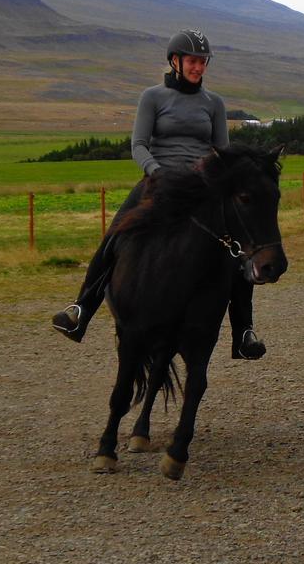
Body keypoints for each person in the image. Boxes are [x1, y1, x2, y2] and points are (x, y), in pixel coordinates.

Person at [51, 29, 267, 359]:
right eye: (193, 61)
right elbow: (138, 144)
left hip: (202, 187)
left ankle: (244, 332)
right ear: (175, 61)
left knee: (237, 249)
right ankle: (81, 309)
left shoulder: (214, 103)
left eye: (203, 62)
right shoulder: (152, 97)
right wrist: (155, 171)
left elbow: (222, 152)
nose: (198, 67)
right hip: (158, 179)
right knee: (116, 234)